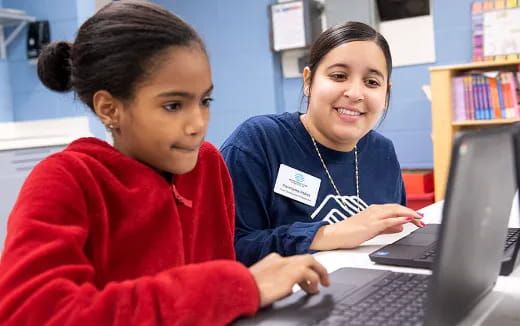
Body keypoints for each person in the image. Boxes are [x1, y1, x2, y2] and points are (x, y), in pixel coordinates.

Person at [0, 2, 330, 325]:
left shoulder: (208, 165)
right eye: (173, 105)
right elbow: (28, 313)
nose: (197, 123)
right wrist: (232, 289)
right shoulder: (67, 179)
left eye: (204, 101)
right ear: (109, 109)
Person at [221, 21, 425, 267]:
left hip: (366, 293)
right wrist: (328, 234)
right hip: (284, 300)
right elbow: (229, 247)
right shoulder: (258, 142)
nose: (355, 93)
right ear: (308, 81)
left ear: (386, 92)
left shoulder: (382, 152)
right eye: (339, 76)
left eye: (372, 82)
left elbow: (392, 241)